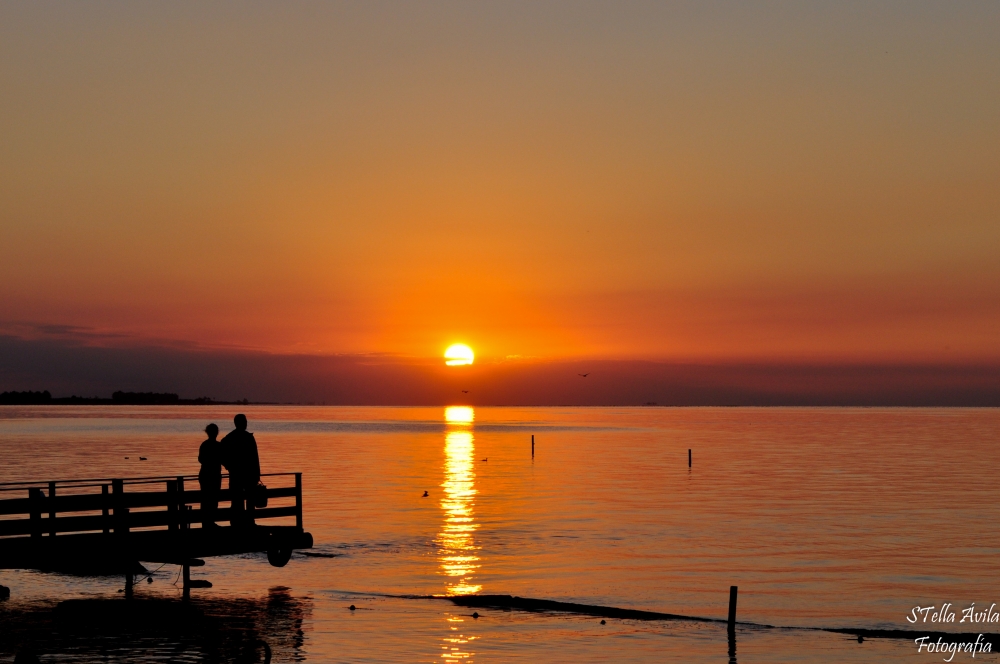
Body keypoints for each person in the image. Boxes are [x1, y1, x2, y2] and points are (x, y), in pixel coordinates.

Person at [221, 413, 261, 527]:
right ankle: (243, 522)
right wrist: (229, 466)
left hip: (242, 475)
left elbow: (255, 457)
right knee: (240, 500)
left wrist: (229, 466)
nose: (246, 424)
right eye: (244, 422)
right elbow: (254, 457)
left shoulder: (230, 438)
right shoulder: (243, 438)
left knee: (244, 500)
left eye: (246, 421)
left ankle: (243, 522)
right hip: (242, 475)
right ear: (238, 423)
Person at [198, 423, 223, 528]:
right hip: (214, 476)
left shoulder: (204, 445)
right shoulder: (218, 446)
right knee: (213, 499)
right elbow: (223, 459)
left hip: (205, 475)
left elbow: (200, 459)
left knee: (206, 499)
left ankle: (206, 522)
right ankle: (210, 521)